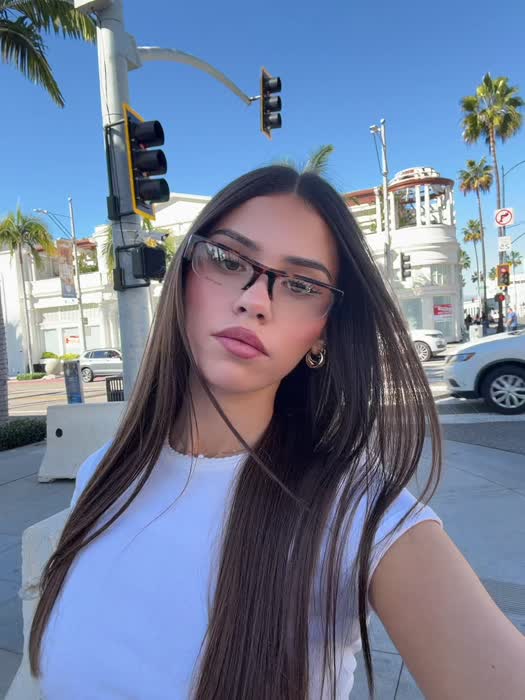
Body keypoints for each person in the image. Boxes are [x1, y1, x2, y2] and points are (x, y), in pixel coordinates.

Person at [29, 167, 525, 699]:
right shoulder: (103, 472)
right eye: (229, 260)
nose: (255, 300)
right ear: (184, 276)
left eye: (301, 285)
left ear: (323, 332)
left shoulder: (359, 512)